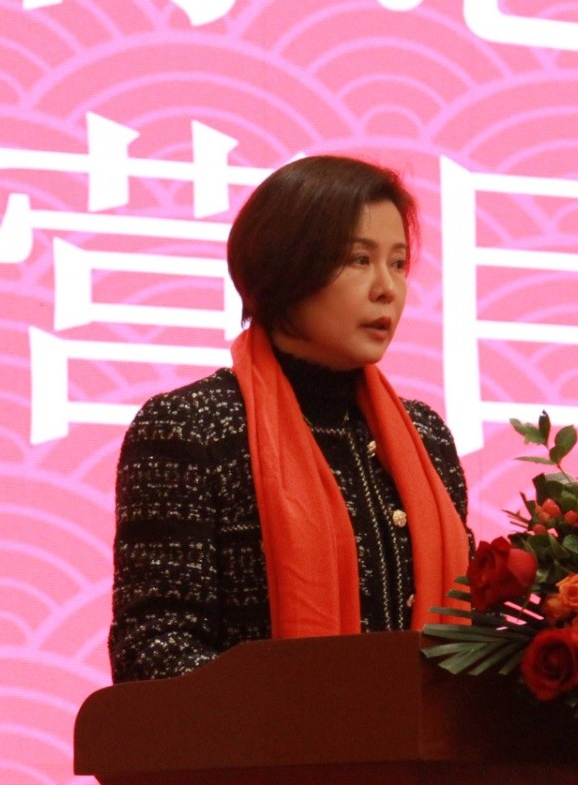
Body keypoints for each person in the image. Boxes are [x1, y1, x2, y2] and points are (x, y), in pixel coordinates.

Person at [108, 155, 473, 683]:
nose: (387, 289)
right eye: (359, 260)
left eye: (398, 263)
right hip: (266, 738)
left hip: (418, 740)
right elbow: (152, 649)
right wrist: (303, 710)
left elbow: (472, 636)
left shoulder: (426, 437)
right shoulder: (191, 428)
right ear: (286, 267)